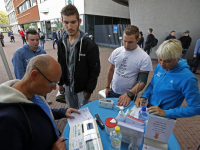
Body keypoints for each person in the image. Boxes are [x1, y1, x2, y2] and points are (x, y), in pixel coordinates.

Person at [0, 54, 80, 150]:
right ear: (34, 75)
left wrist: (63, 112)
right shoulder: (7, 120)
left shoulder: (33, 92)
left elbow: (40, 112)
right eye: (52, 83)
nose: (54, 88)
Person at [135, 39, 200, 119]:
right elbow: (152, 85)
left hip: (166, 116)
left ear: (178, 58)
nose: (162, 65)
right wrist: (144, 96)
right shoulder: (159, 67)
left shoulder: (188, 79)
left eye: (167, 62)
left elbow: (196, 108)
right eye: (160, 59)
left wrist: (166, 112)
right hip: (150, 110)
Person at [57, 4, 100, 109]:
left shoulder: (89, 45)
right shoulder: (61, 42)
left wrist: (89, 90)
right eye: (66, 22)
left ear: (79, 22)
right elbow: (61, 63)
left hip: (82, 88)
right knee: (72, 111)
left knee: (83, 113)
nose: (69, 27)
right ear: (62, 22)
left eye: (73, 22)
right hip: (67, 86)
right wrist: (61, 82)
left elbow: (94, 70)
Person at [106, 25, 153, 106]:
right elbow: (111, 70)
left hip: (129, 95)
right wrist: (107, 87)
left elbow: (142, 82)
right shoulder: (117, 51)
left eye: (130, 42)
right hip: (113, 91)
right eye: (124, 41)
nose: (126, 45)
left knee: (125, 117)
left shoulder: (144, 57)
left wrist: (129, 95)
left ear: (137, 40)